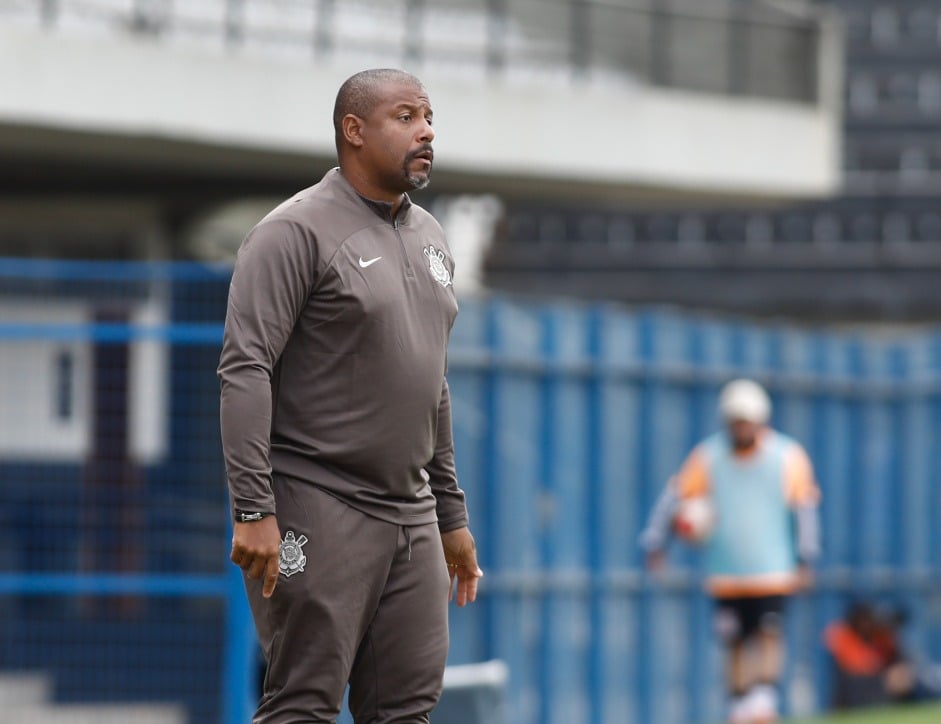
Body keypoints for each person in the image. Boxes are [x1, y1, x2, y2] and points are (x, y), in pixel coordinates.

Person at [218, 68, 483, 724]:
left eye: (429, 118)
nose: (426, 132)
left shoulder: (430, 236)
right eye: (406, 117)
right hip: (319, 501)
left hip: (412, 515)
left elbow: (430, 383)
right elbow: (245, 369)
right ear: (354, 130)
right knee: (302, 704)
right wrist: (253, 507)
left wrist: (451, 517)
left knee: (406, 710)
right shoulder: (293, 232)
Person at [639, 379, 821, 724]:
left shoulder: (786, 456)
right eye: (735, 421)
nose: (741, 428)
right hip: (726, 571)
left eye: (746, 421)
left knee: (768, 635)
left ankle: (763, 704)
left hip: (772, 570)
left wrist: (805, 558)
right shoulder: (708, 457)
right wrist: (656, 541)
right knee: (734, 641)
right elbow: (675, 498)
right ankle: (739, 708)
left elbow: (804, 508)